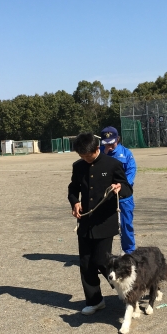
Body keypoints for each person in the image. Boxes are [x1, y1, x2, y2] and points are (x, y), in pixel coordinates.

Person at [68, 133, 133, 315]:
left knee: (102, 261)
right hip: (85, 222)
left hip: (105, 222)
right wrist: (75, 202)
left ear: (97, 149)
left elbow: (128, 189)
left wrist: (120, 188)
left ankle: (129, 287)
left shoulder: (113, 165)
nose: (85, 159)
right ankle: (95, 300)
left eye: (87, 156)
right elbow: (73, 188)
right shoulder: (78, 166)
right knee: (86, 263)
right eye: (81, 156)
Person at [100, 126, 137, 254]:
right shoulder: (99, 153)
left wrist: (121, 184)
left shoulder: (126, 154)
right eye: (106, 143)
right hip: (104, 198)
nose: (109, 146)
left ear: (118, 139)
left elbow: (131, 172)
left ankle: (129, 253)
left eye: (112, 143)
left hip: (123, 197)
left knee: (126, 226)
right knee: (103, 227)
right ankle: (103, 255)